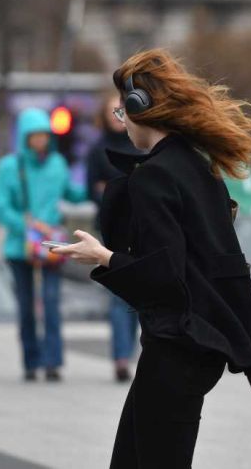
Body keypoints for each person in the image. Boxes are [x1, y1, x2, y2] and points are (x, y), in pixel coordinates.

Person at [53, 48, 251, 469]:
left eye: (121, 114)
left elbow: (165, 275)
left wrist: (104, 256)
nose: (121, 123)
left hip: (177, 345)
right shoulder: (196, 166)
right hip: (198, 342)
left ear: (139, 109)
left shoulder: (156, 176)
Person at [0, 108, 86, 382]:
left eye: (45, 135)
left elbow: (73, 193)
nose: (41, 140)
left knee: (53, 302)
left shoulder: (57, 163)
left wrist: (98, 184)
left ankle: (53, 362)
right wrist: (28, 226)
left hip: (52, 245)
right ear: (24, 137)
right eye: (35, 135)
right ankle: (31, 360)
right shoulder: (9, 167)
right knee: (26, 306)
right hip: (19, 247)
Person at [86, 92, 142, 383]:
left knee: (139, 295)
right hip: (110, 230)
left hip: (141, 227)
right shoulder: (98, 149)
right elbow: (90, 190)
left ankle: (131, 352)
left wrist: (110, 187)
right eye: (112, 111)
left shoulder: (142, 145)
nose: (118, 117)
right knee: (120, 295)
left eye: (122, 111)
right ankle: (121, 357)